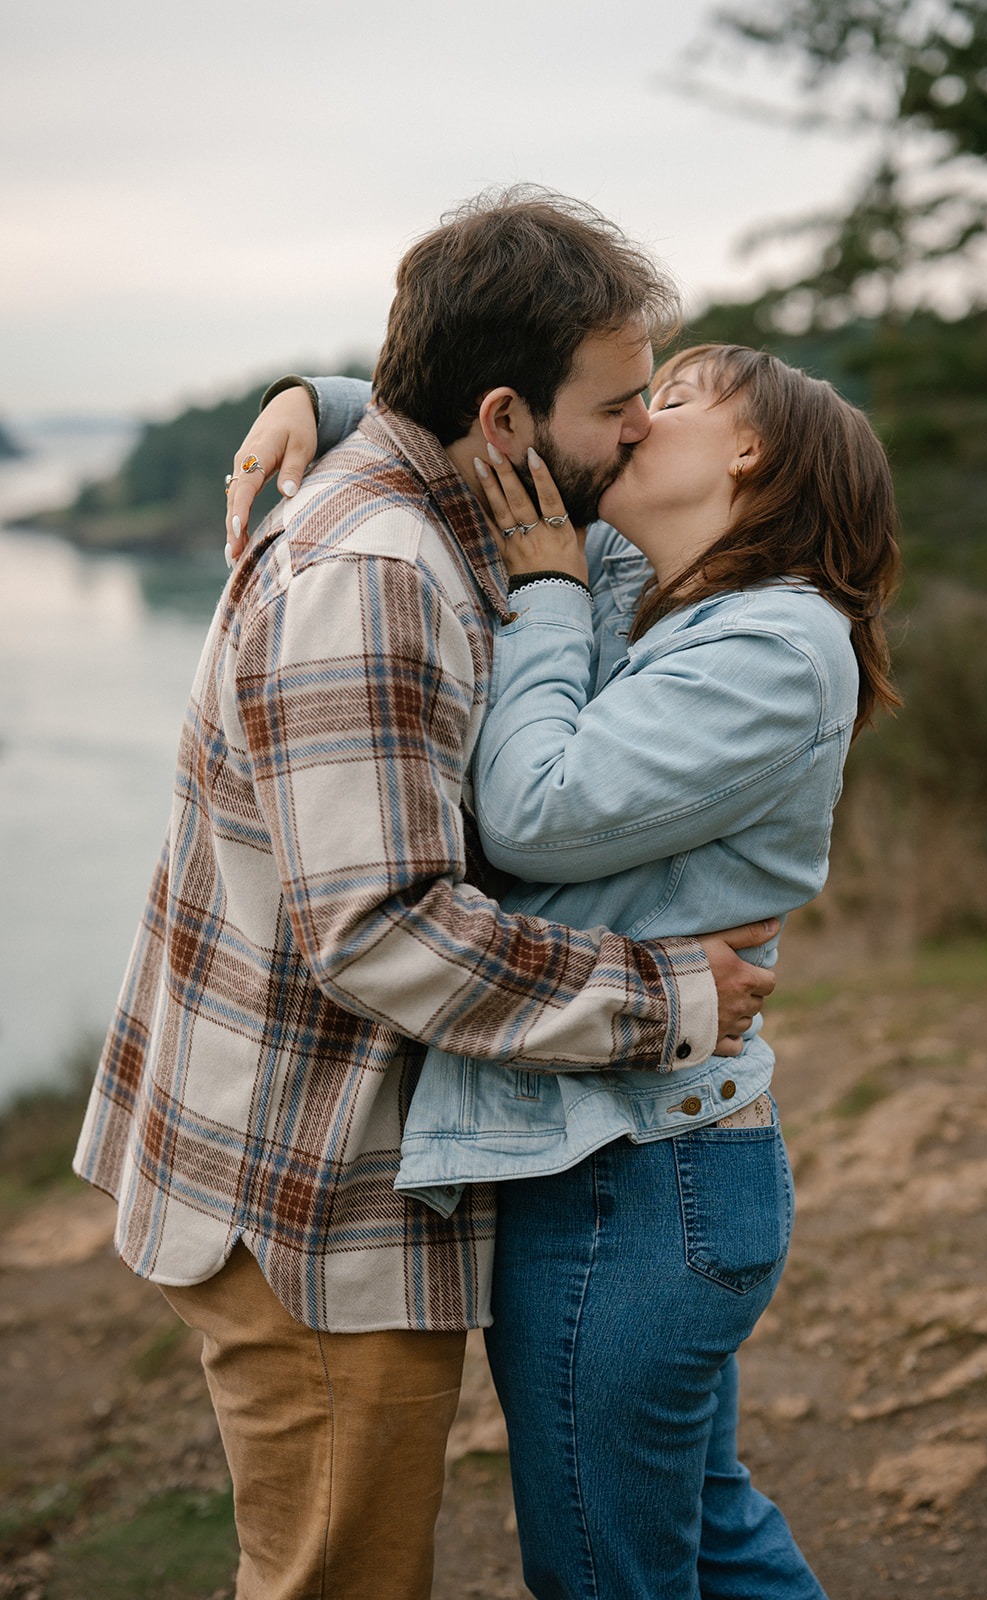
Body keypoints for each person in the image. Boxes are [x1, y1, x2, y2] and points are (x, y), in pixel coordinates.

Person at [73, 191, 777, 1600]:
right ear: (506, 417)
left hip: (318, 1167)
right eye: (619, 404)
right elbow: (383, 934)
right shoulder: (376, 574)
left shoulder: (440, 488)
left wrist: (319, 394)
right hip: (306, 1198)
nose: (639, 427)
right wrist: (671, 998)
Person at [234, 341, 900, 1598]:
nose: (634, 423)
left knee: (604, 1574)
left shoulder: (770, 644)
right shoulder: (641, 576)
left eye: (673, 399)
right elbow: (505, 408)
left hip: (637, 1182)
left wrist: (540, 596)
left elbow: (533, 812)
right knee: (708, 1538)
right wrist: (316, 400)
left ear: (747, 451)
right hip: (606, 1151)